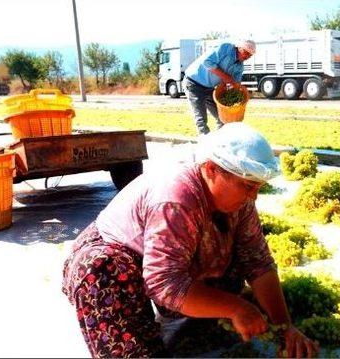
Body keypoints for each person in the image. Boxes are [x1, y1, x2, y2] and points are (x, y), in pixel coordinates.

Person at [62, 122, 319, 358]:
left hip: (168, 260)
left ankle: (194, 311)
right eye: (247, 186)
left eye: (257, 187)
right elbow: (163, 282)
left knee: (231, 264)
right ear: (210, 169)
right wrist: (237, 308)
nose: (253, 197)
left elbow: (257, 261)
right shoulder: (177, 197)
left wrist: (285, 327)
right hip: (118, 259)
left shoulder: (241, 203)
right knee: (105, 271)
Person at [184, 39, 256, 135]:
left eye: (250, 55)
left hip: (210, 88)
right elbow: (207, 62)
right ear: (239, 48)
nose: (247, 56)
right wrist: (226, 77)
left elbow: (235, 85)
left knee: (223, 119)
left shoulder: (239, 67)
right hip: (194, 83)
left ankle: (219, 143)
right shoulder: (225, 48)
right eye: (246, 52)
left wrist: (238, 95)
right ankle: (205, 145)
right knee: (201, 121)